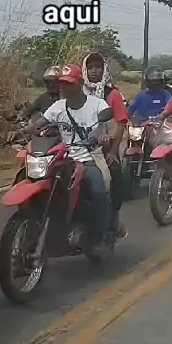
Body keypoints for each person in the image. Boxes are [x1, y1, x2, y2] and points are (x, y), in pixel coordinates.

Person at [33, 63, 113, 255]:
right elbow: (40, 123)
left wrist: (106, 135)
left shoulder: (97, 104)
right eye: (62, 83)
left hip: (89, 157)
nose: (64, 87)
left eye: (69, 83)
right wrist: (22, 130)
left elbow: (112, 125)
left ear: (79, 83)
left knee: (99, 191)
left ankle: (99, 236)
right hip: (61, 157)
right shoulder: (57, 107)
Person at [82, 52, 128, 238]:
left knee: (114, 174)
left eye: (98, 67)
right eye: (90, 68)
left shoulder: (112, 94)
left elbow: (121, 124)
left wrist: (112, 150)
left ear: (104, 70)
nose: (94, 71)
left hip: (106, 145)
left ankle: (114, 218)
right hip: (78, 145)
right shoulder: (78, 93)